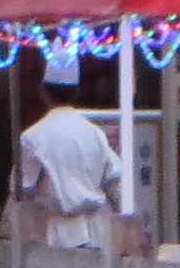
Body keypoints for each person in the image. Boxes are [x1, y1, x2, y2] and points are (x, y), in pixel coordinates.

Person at [13, 83, 124, 249]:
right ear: (77, 92)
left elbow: (22, 187)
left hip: (55, 231)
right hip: (98, 231)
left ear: (43, 93)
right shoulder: (95, 132)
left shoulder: (33, 136)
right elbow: (114, 181)